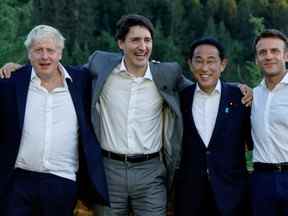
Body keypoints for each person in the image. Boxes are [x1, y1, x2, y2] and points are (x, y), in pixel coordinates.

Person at [0, 14, 252, 216]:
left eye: (147, 40)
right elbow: (58, 69)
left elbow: (203, 85)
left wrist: (236, 88)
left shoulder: (167, 74)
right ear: (121, 43)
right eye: (135, 40)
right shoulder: (100, 65)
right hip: (108, 170)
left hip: (151, 172)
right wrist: (21, 69)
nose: (142, 47)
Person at [0, 25, 109, 216]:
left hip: (62, 181)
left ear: (60, 53)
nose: (44, 57)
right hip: (19, 180)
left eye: (50, 50)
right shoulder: (12, 82)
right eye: (38, 50)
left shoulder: (81, 81)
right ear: (29, 54)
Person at [175, 37, 252, 216]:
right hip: (190, 196)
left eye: (211, 61)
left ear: (223, 64)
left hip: (231, 195)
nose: (204, 68)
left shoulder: (240, 98)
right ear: (190, 63)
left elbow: (252, 140)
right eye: (199, 61)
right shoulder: (181, 99)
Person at [251, 29, 288, 216]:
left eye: (275, 51)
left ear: (286, 55)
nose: (268, 56)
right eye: (262, 52)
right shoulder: (252, 95)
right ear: (257, 59)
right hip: (261, 180)